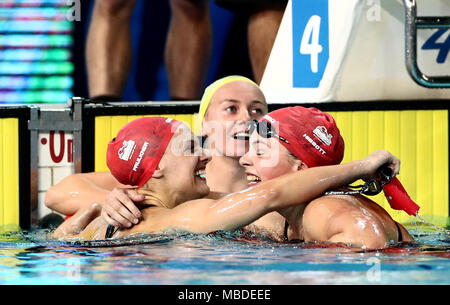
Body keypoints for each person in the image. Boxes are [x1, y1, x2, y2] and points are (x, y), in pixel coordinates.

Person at [52, 116, 400, 250]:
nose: (205, 155)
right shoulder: (190, 215)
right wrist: (362, 166)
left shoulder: (101, 226)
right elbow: (270, 194)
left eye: (259, 149)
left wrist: (93, 210)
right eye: (190, 147)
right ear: (155, 169)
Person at [44, 75, 268, 223]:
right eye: (231, 108)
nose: (247, 118)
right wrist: (114, 202)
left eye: (257, 110)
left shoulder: (278, 175)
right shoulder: (173, 175)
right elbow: (57, 194)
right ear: (205, 124)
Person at [238, 106, 414, 248]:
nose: (243, 160)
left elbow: (370, 240)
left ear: (301, 169)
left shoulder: (323, 208)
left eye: (260, 152)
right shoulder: (280, 217)